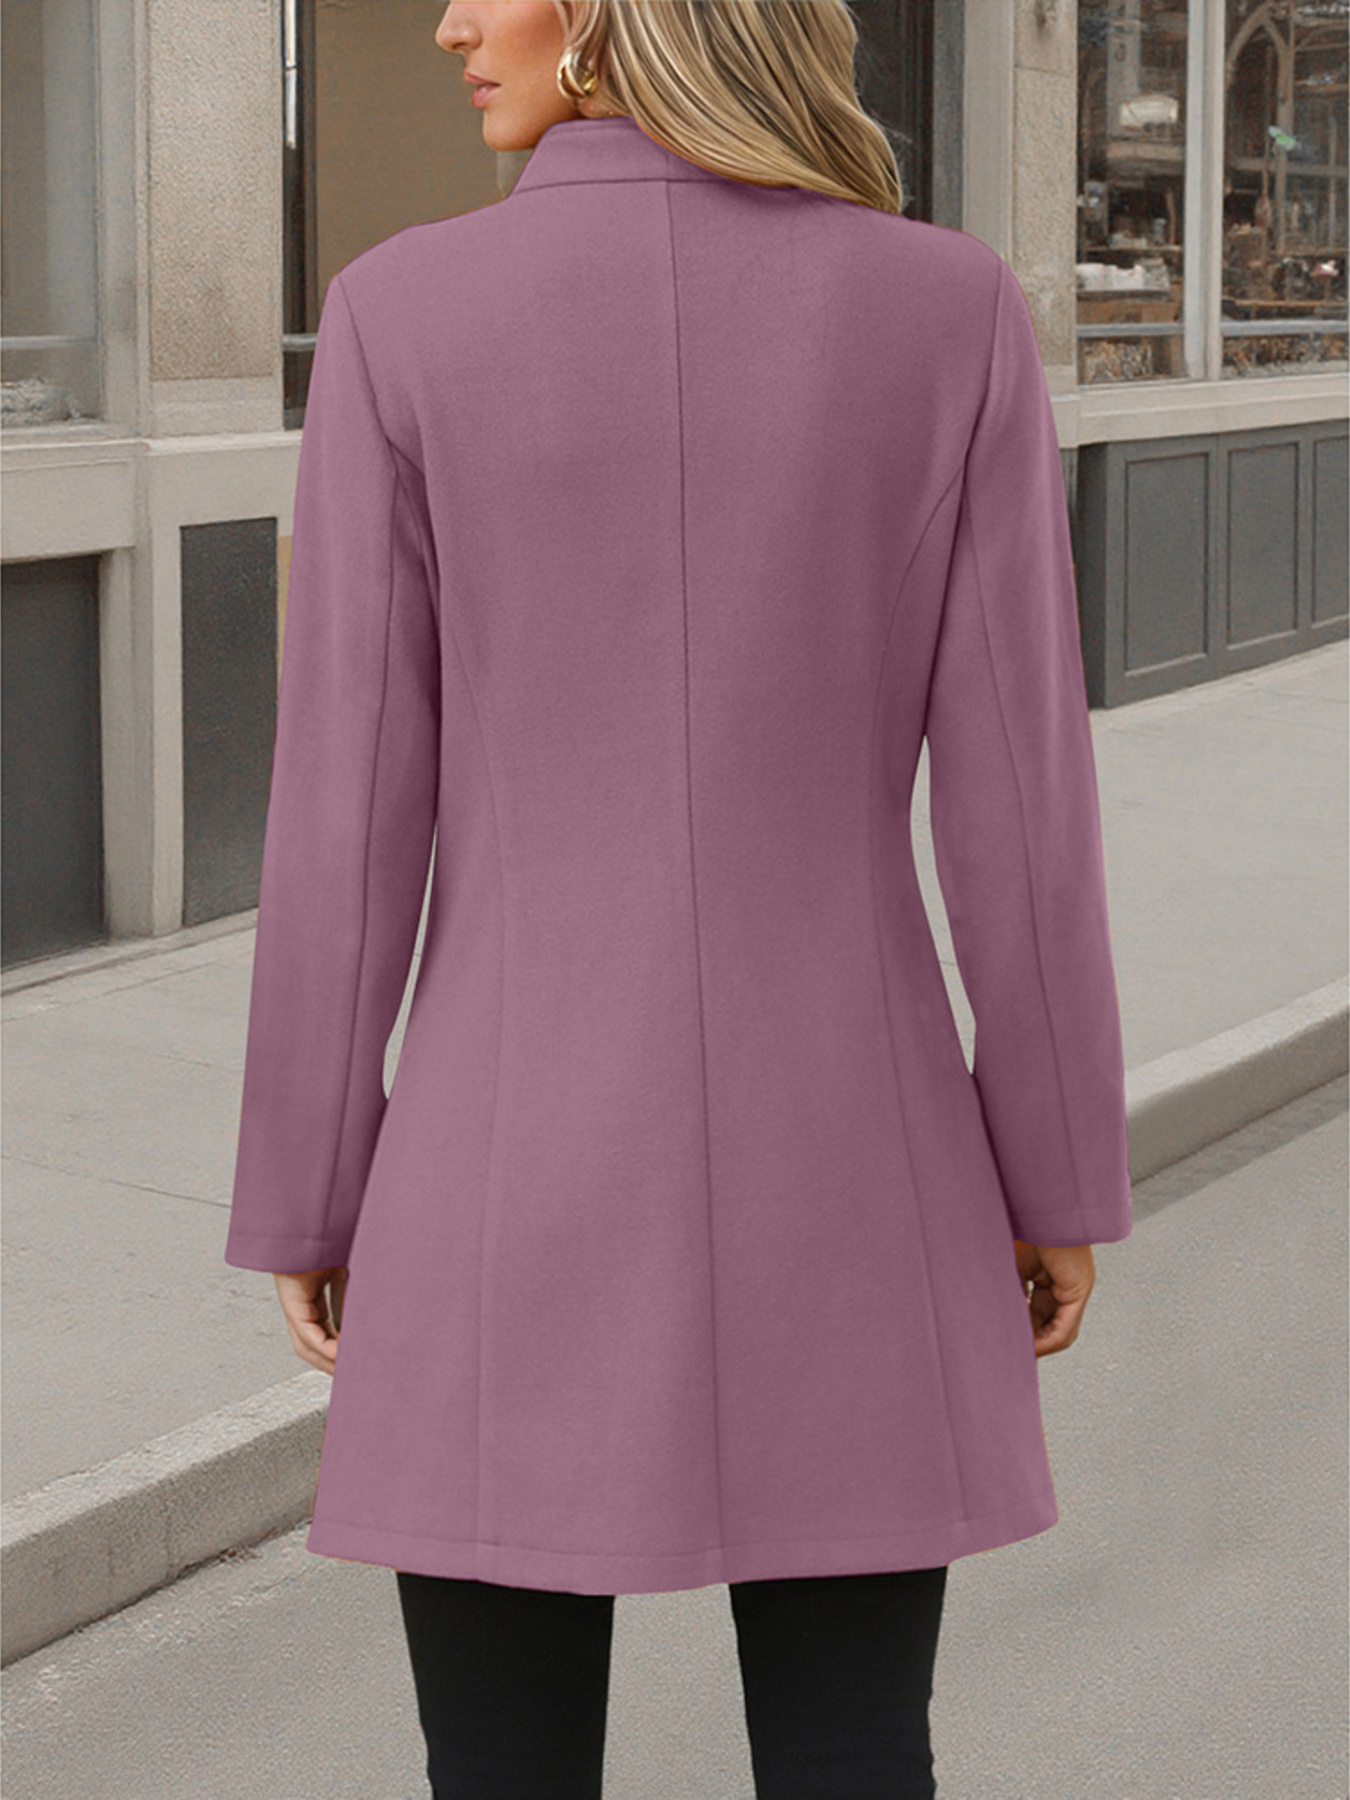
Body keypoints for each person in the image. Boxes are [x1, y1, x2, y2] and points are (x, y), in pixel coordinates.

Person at [222, 3, 1134, 1795]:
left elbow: (343, 810)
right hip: (859, 1157)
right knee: (854, 1753)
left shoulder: (400, 315)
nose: (447, 20)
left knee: (500, 1770)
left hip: (496, 1164)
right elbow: (1023, 809)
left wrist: (313, 1186)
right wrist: (1048, 1174)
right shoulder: (946, 310)